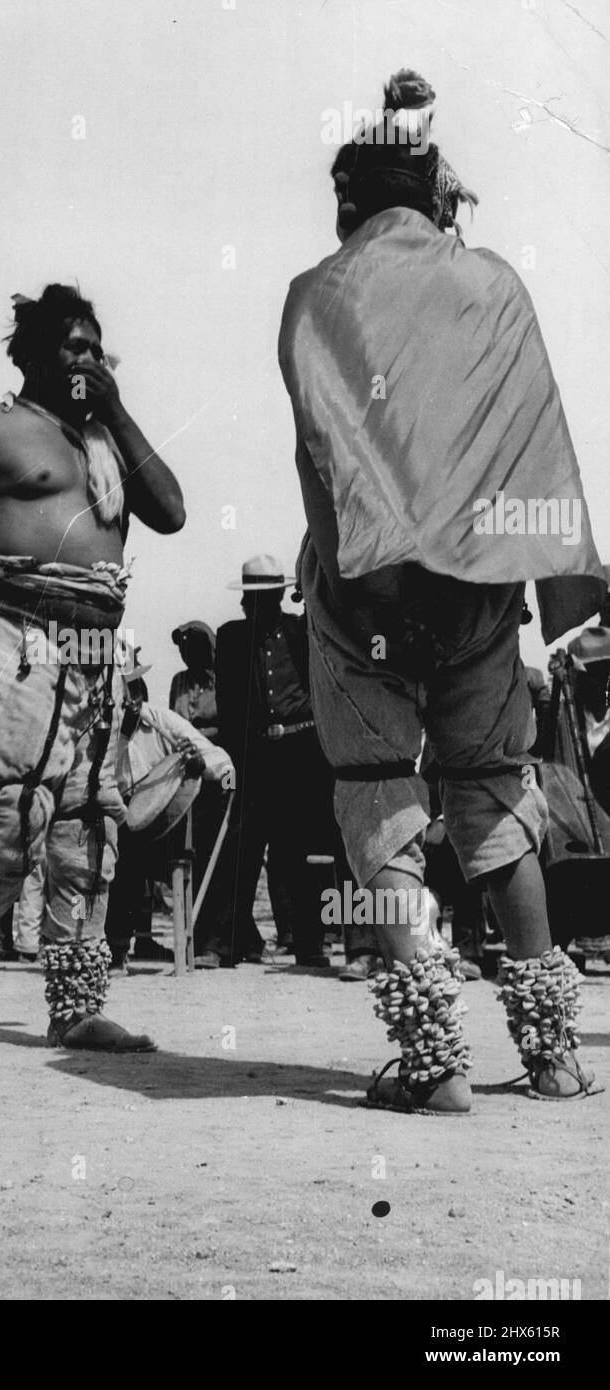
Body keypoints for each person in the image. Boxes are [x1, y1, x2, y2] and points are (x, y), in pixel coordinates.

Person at [278, 70, 606, 1112]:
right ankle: (552, 1054)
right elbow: (527, 448)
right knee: (494, 797)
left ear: (344, 199)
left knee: (381, 801)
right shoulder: (494, 282)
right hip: (477, 593)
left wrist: (359, 595)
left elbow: (321, 466)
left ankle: (435, 1065)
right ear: (434, 195)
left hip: (366, 591)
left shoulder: (315, 293)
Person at [0, 283, 185, 1053]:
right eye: (73, 346)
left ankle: (75, 1007)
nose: (88, 359)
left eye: (97, 349)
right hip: (8, 631)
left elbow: (170, 511)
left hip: (97, 649)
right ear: (30, 354)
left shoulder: (107, 443)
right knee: (9, 817)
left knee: (87, 826)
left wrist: (120, 412)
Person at [199, 555, 342, 968]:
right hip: (252, 756)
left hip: (301, 756)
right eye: (250, 597)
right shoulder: (229, 638)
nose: (254, 605)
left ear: (280, 595)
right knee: (238, 848)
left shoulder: (303, 631)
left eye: (263, 596)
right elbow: (227, 707)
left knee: (298, 853)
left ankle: (309, 944)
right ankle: (220, 943)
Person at [107, 650, 234, 973]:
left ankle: (207, 942)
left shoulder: (162, 721)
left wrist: (200, 765)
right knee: (119, 842)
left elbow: (221, 761)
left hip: (169, 836)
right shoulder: (104, 733)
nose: (128, 703)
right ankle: (114, 947)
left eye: (131, 693)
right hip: (124, 831)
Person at [169, 622, 218, 740]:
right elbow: (170, 722)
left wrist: (198, 736)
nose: (183, 652)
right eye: (182, 647)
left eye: (192, 647)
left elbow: (232, 727)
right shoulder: (178, 680)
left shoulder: (224, 679)